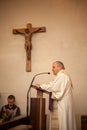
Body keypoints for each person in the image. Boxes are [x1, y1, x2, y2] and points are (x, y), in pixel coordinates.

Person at [35, 61, 77, 130]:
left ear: (59, 67)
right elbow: (53, 84)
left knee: (62, 125)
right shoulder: (62, 76)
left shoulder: (62, 76)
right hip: (64, 104)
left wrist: (41, 86)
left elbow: (54, 87)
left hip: (62, 105)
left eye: (53, 67)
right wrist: (41, 86)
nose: (52, 69)